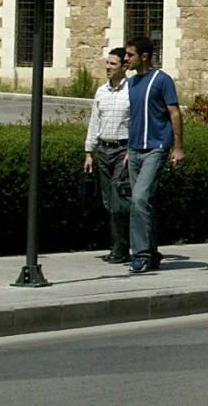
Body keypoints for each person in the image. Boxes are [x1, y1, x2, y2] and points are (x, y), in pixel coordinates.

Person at [125, 38, 185, 274]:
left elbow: (174, 113)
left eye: (130, 55)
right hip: (134, 149)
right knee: (140, 203)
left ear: (144, 56)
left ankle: (140, 254)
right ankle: (151, 251)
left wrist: (178, 147)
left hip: (156, 148)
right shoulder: (131, 83)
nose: (126, 59)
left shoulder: (162, 80)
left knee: (140, 198)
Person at [81, 47, 132, 263]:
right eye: (107, 63)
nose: (108, 67)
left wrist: (131, 150)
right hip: (103, 151)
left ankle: (120, 249)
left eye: (113, 64)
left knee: (118, 199)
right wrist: (88, 152)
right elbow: (95, 121)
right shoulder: (101, 91)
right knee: (107, 201)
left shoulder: (132, 91)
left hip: (123, 151)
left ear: (124, 67)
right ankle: (120, 244)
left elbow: (136, 122)